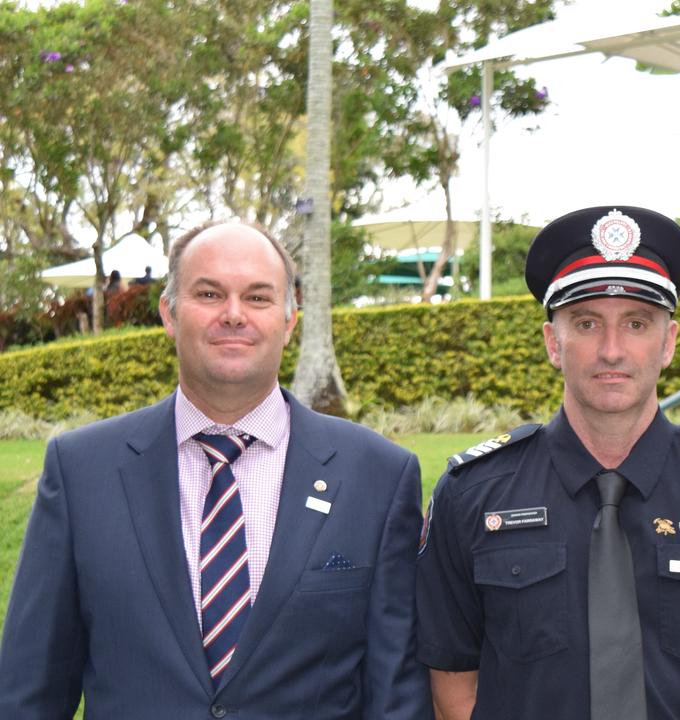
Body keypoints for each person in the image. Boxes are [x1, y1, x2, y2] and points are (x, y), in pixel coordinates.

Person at [0, 221, 430, 719]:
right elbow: (28, 694)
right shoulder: (81, 473)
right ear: (169, 313)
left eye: (258, 297)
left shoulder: (377, 476)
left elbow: (396, 696)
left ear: (290, 321)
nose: (233, 314)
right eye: (209, 293)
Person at [417, 206, 680, 720]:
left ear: (668, 343)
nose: (611, 350)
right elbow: (452, 694)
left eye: (636, 323)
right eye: (587, 323)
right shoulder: (472, 495)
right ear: (553, 343)